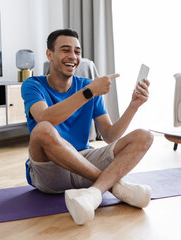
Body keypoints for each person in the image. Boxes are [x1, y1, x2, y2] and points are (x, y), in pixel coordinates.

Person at [21, 29, 154, 225]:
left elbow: (109, 135)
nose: (73, 57)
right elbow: (44, 118)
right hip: (50, 171)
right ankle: (114, 187)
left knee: (145, 136)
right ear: (50, 54)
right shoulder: (33, 85)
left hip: (84, 159)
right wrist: (89, 92)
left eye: (77, 51)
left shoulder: (86, 86)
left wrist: (133, 106)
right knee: (43, 129)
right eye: (65, 50)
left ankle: (93, 193)